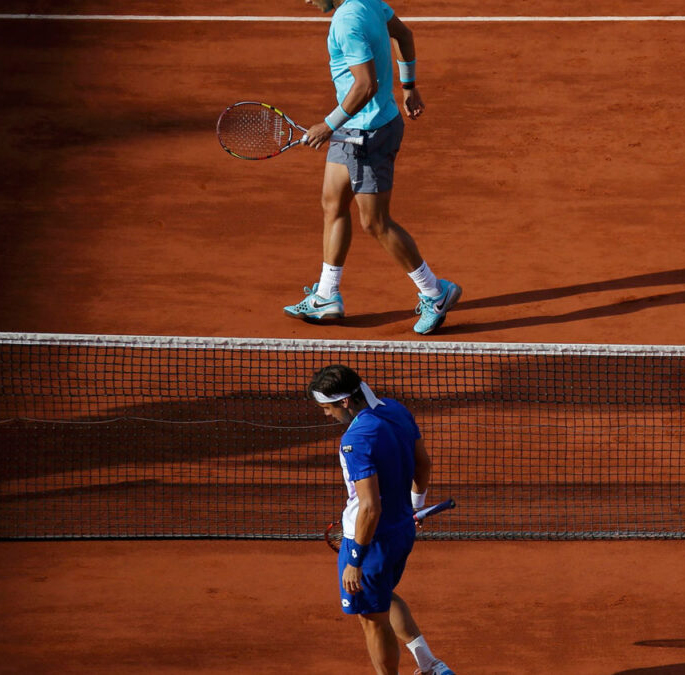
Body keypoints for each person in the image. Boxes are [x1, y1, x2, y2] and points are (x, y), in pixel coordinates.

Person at [286, 0, 462, 335]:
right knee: (332, 203)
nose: (306, 0)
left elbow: (366, 85)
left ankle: (434, 292)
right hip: (358, 127)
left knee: (375, 222)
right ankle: (326, 295)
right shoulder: (367, 2)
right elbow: (403, 34)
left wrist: (327, 125)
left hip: (365, 134)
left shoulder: (345, 23)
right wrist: (408, 86)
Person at [309, 364, 456, 675]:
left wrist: (355, 559)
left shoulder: (356, 439)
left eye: (327, 408)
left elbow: (370, 507)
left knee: (372, 621)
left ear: (345, 401)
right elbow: (423, 464)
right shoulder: (395, 409)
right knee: (381, 596)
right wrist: (415, 506)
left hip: (369, 539)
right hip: (400, 529)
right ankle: (429, 664)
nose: (326, 415)